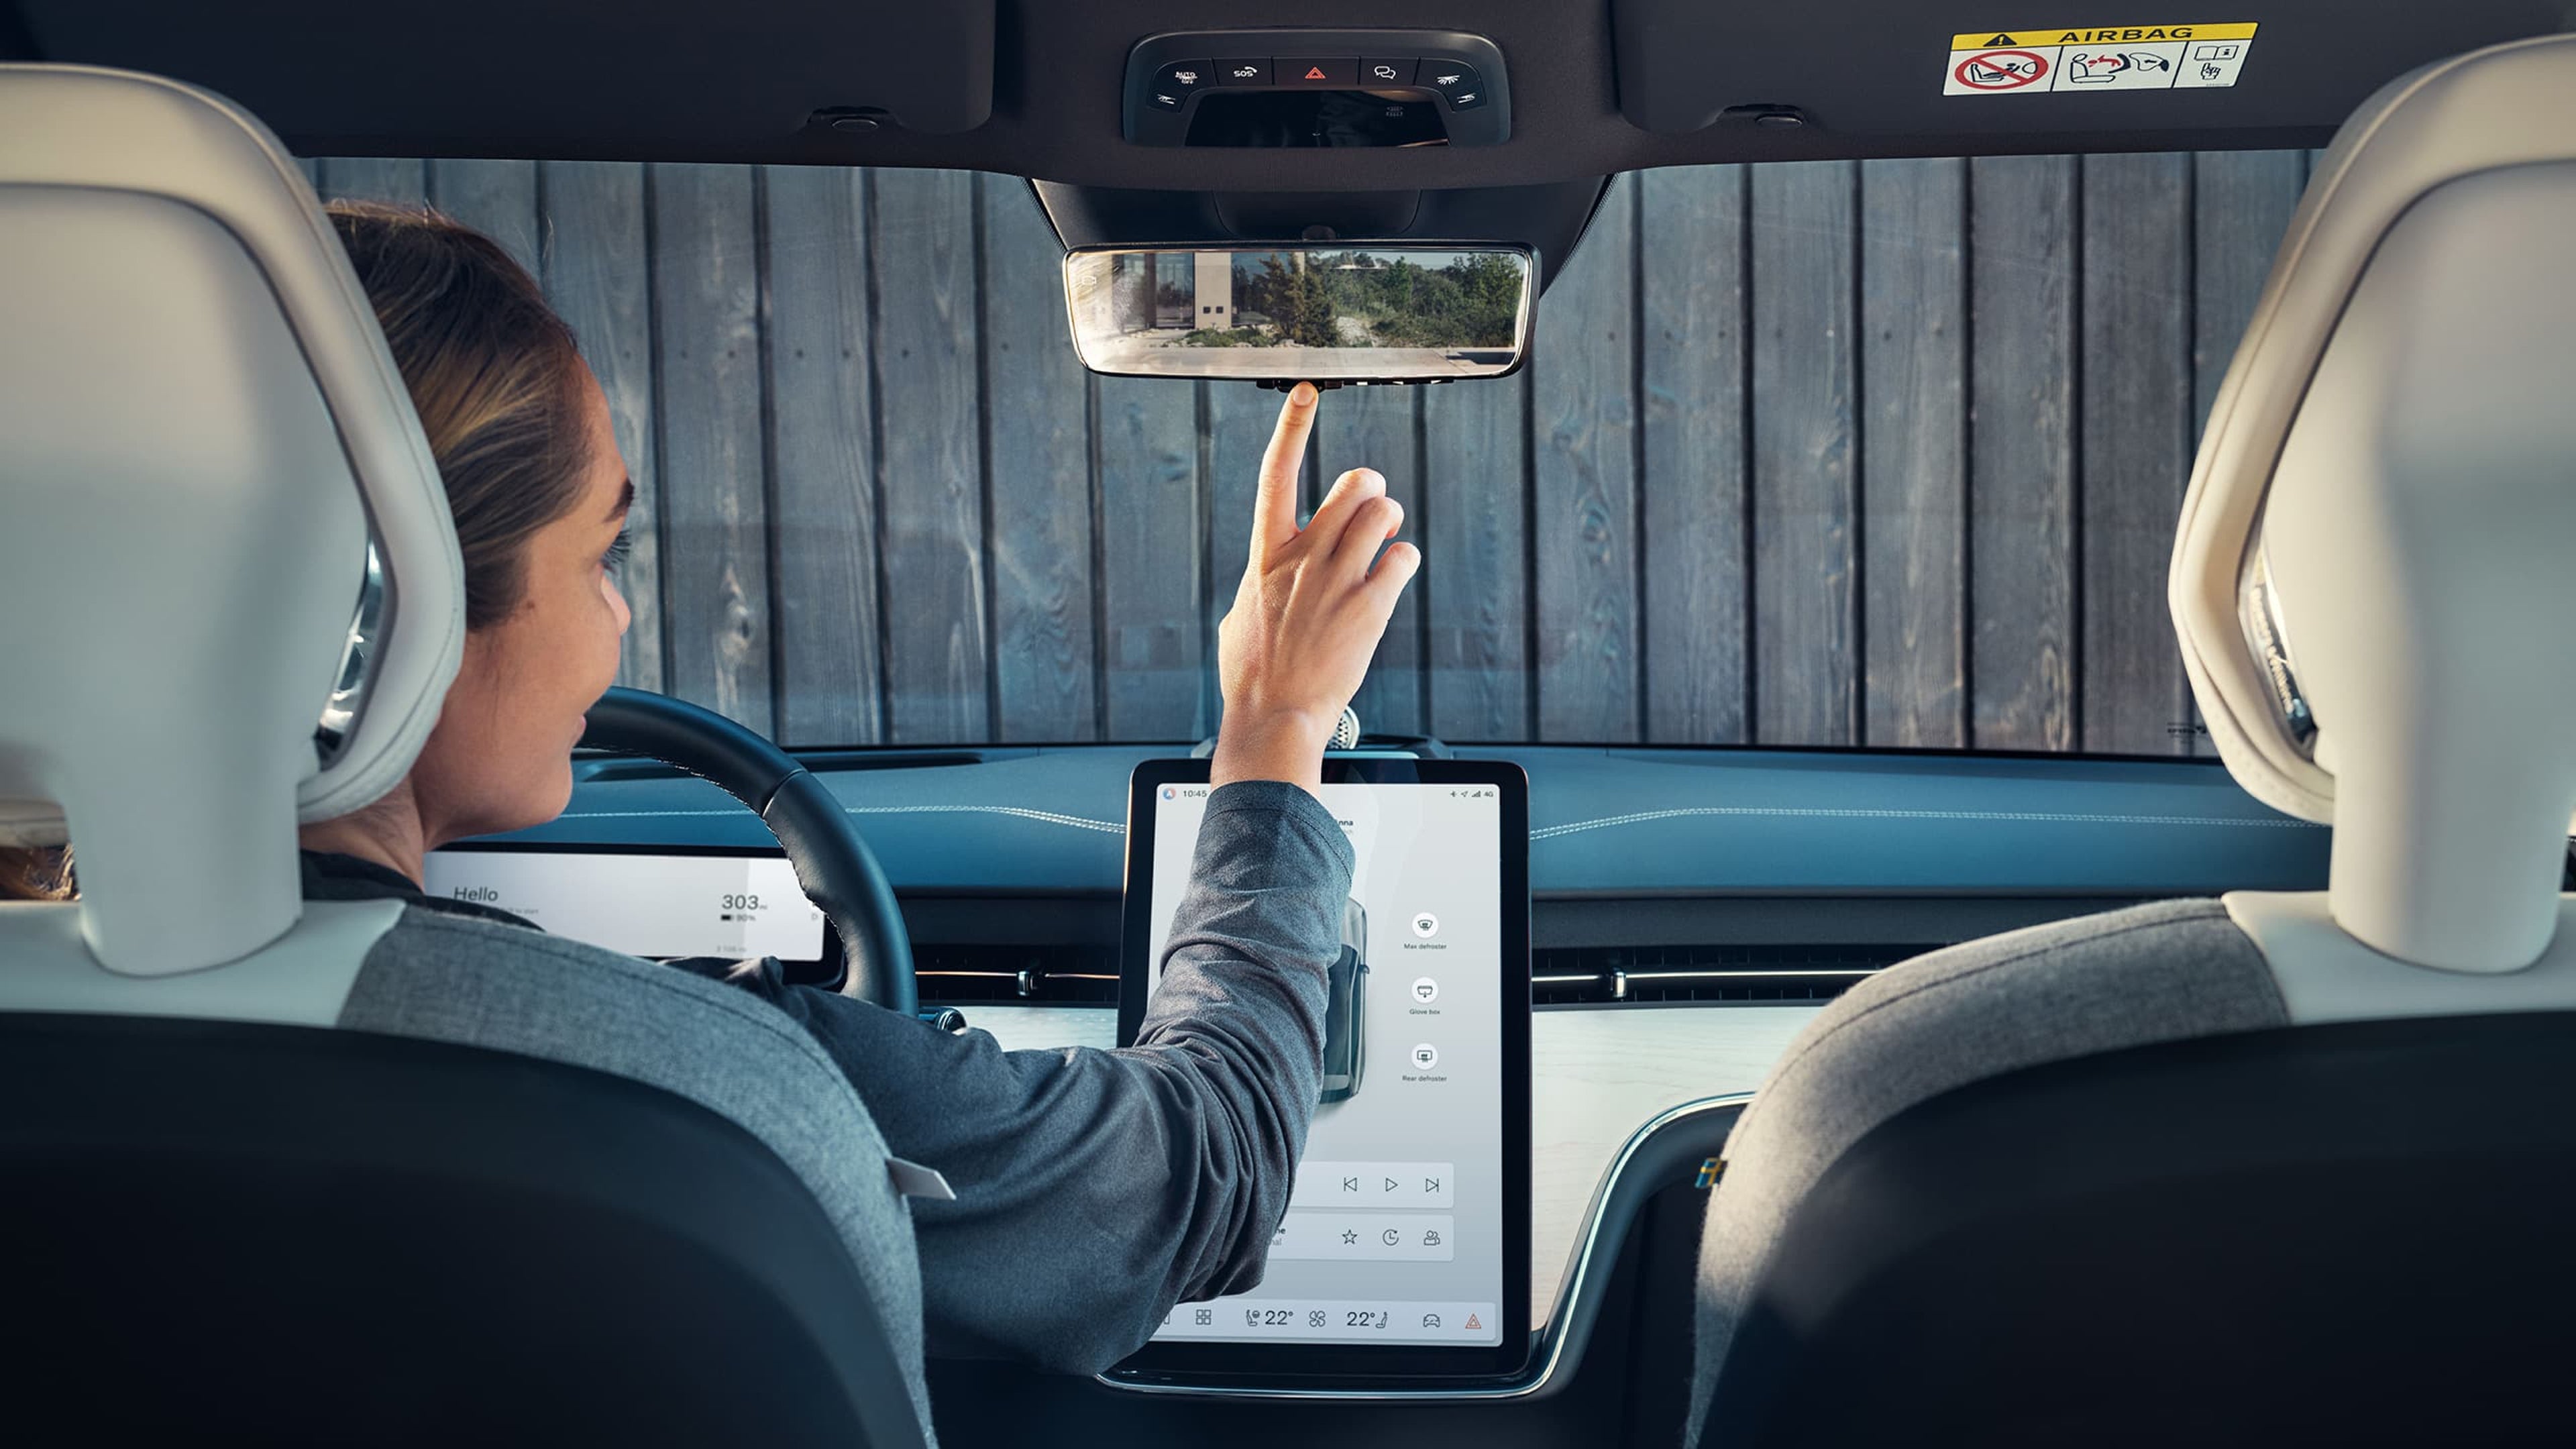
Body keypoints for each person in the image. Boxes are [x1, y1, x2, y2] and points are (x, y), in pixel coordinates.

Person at [298, 203, 1421, 1370]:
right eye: (599, 557)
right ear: (401, 604)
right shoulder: (696, 1086)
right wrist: (1277, 726)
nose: (616, 616)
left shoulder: (90, 1043)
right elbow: (1198, 1177)